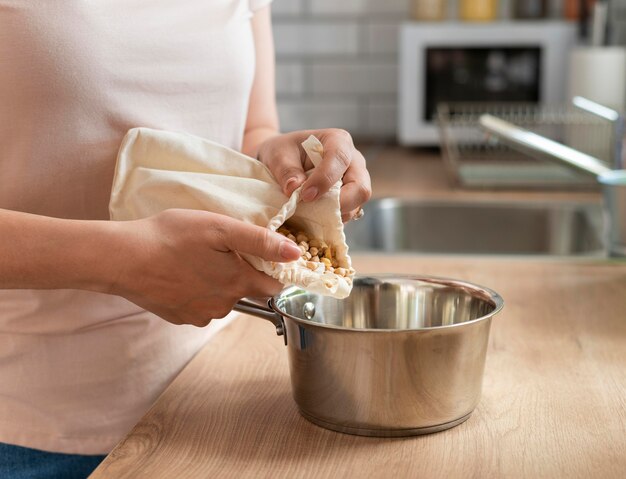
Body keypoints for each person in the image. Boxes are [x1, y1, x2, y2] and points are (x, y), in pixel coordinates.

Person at [0, 1, 372, 477]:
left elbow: (247, 130)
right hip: (28, 430)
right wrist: (121, 260)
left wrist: (281, 163)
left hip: (210, 401)